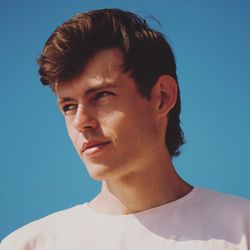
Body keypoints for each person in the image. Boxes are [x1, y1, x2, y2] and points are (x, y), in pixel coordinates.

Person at [1, 8, 249, 250]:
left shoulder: (241, 229)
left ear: (162, 97)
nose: (80, 121)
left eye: (102, 95)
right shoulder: (29, 245)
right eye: (68, 106)